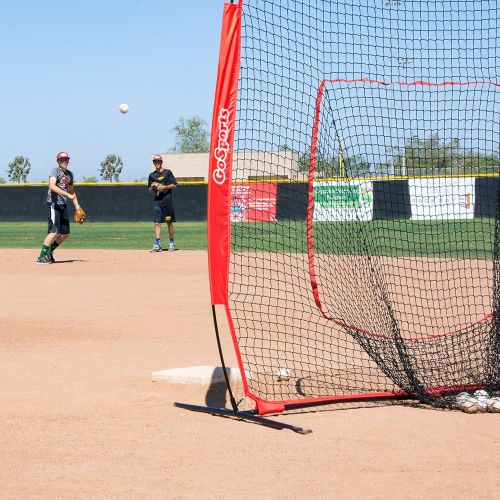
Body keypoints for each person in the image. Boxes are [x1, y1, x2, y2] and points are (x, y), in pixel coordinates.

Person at [36, 152, 81, 264]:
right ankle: (41, 257)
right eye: (61, 160)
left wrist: (77, 207)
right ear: (58, 161)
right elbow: (51, 185)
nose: (64, 161)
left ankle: (49, 253)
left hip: (63, 205)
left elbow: (71, 191)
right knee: (54, 231)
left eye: (66, 159)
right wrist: (67, 195)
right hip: (53, 204)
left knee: (65, 234)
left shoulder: (70, 174)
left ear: (68, 161)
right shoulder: (55, 171)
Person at [148, 154, 177, 252]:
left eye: (159, 161)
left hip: (167, 201)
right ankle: (157, 244)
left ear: (161, 162)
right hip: (157, 201)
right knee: (157, 223)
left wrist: (164, 187)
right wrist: (154, 188)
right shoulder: (151, 175)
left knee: (169, 222)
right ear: (153, 163)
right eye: (155, 161)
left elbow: (174, 185)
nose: (157, 163)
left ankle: (171, 243)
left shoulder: (167, 172)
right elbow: (149, 189)